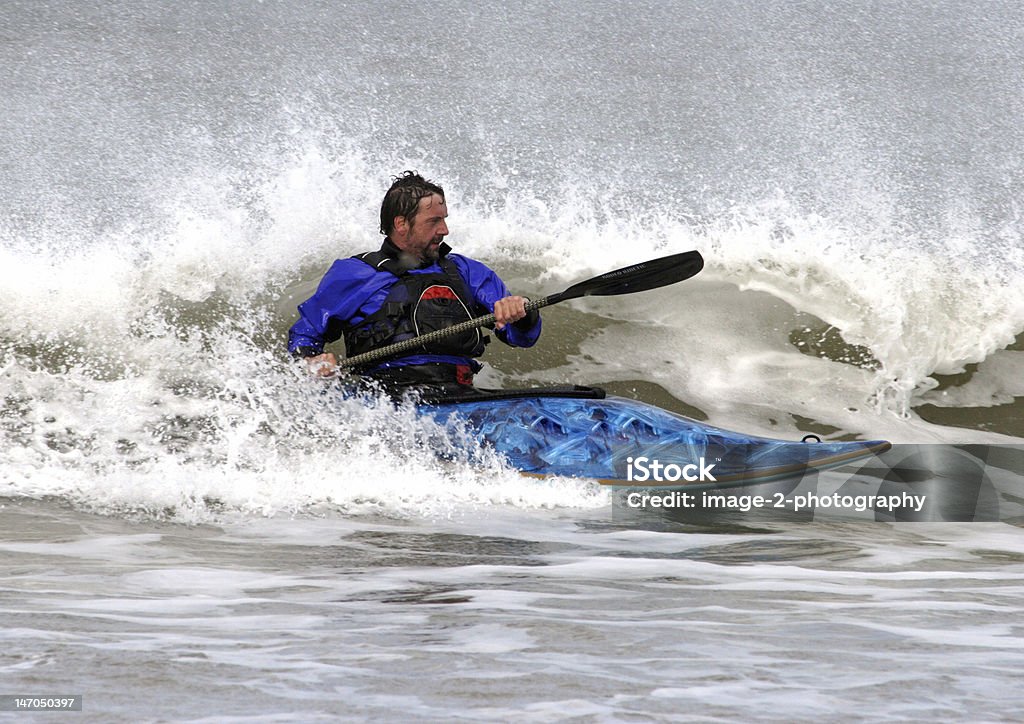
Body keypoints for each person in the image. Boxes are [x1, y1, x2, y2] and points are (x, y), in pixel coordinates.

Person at [287, 171, 541, 394]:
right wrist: (310, 360)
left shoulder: (466, 272)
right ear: (401, 224)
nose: (444, 230)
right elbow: (306, 333)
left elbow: (522, 338)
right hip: (386, 402)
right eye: (433, 221)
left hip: (460, 397)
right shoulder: (355, 273)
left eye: (444, 219)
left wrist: (522, 311)